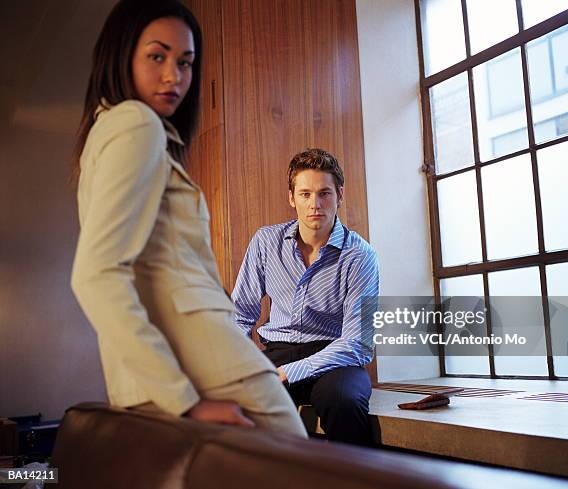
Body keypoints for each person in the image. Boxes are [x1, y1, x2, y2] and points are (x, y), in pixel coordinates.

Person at [70, 0, 306, 437]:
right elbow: (95, 275)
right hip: (206, 365)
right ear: (122, 54)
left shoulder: (106, 131)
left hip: (169, 373)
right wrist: (186, 400)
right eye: (157, 56)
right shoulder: (136, 125)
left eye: (185, 62)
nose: (172, 77)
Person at [232, 148, 379, 445]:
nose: (315, 204)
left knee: (345, 401)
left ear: (339, 195)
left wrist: (289, 372)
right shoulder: (265, 242)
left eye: (324, 193)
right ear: (292, 198)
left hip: (336, 358)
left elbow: (358, 344)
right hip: (277, 352)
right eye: (305, 194)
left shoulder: (360, 256)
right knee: (239, 401)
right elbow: (239, 314)